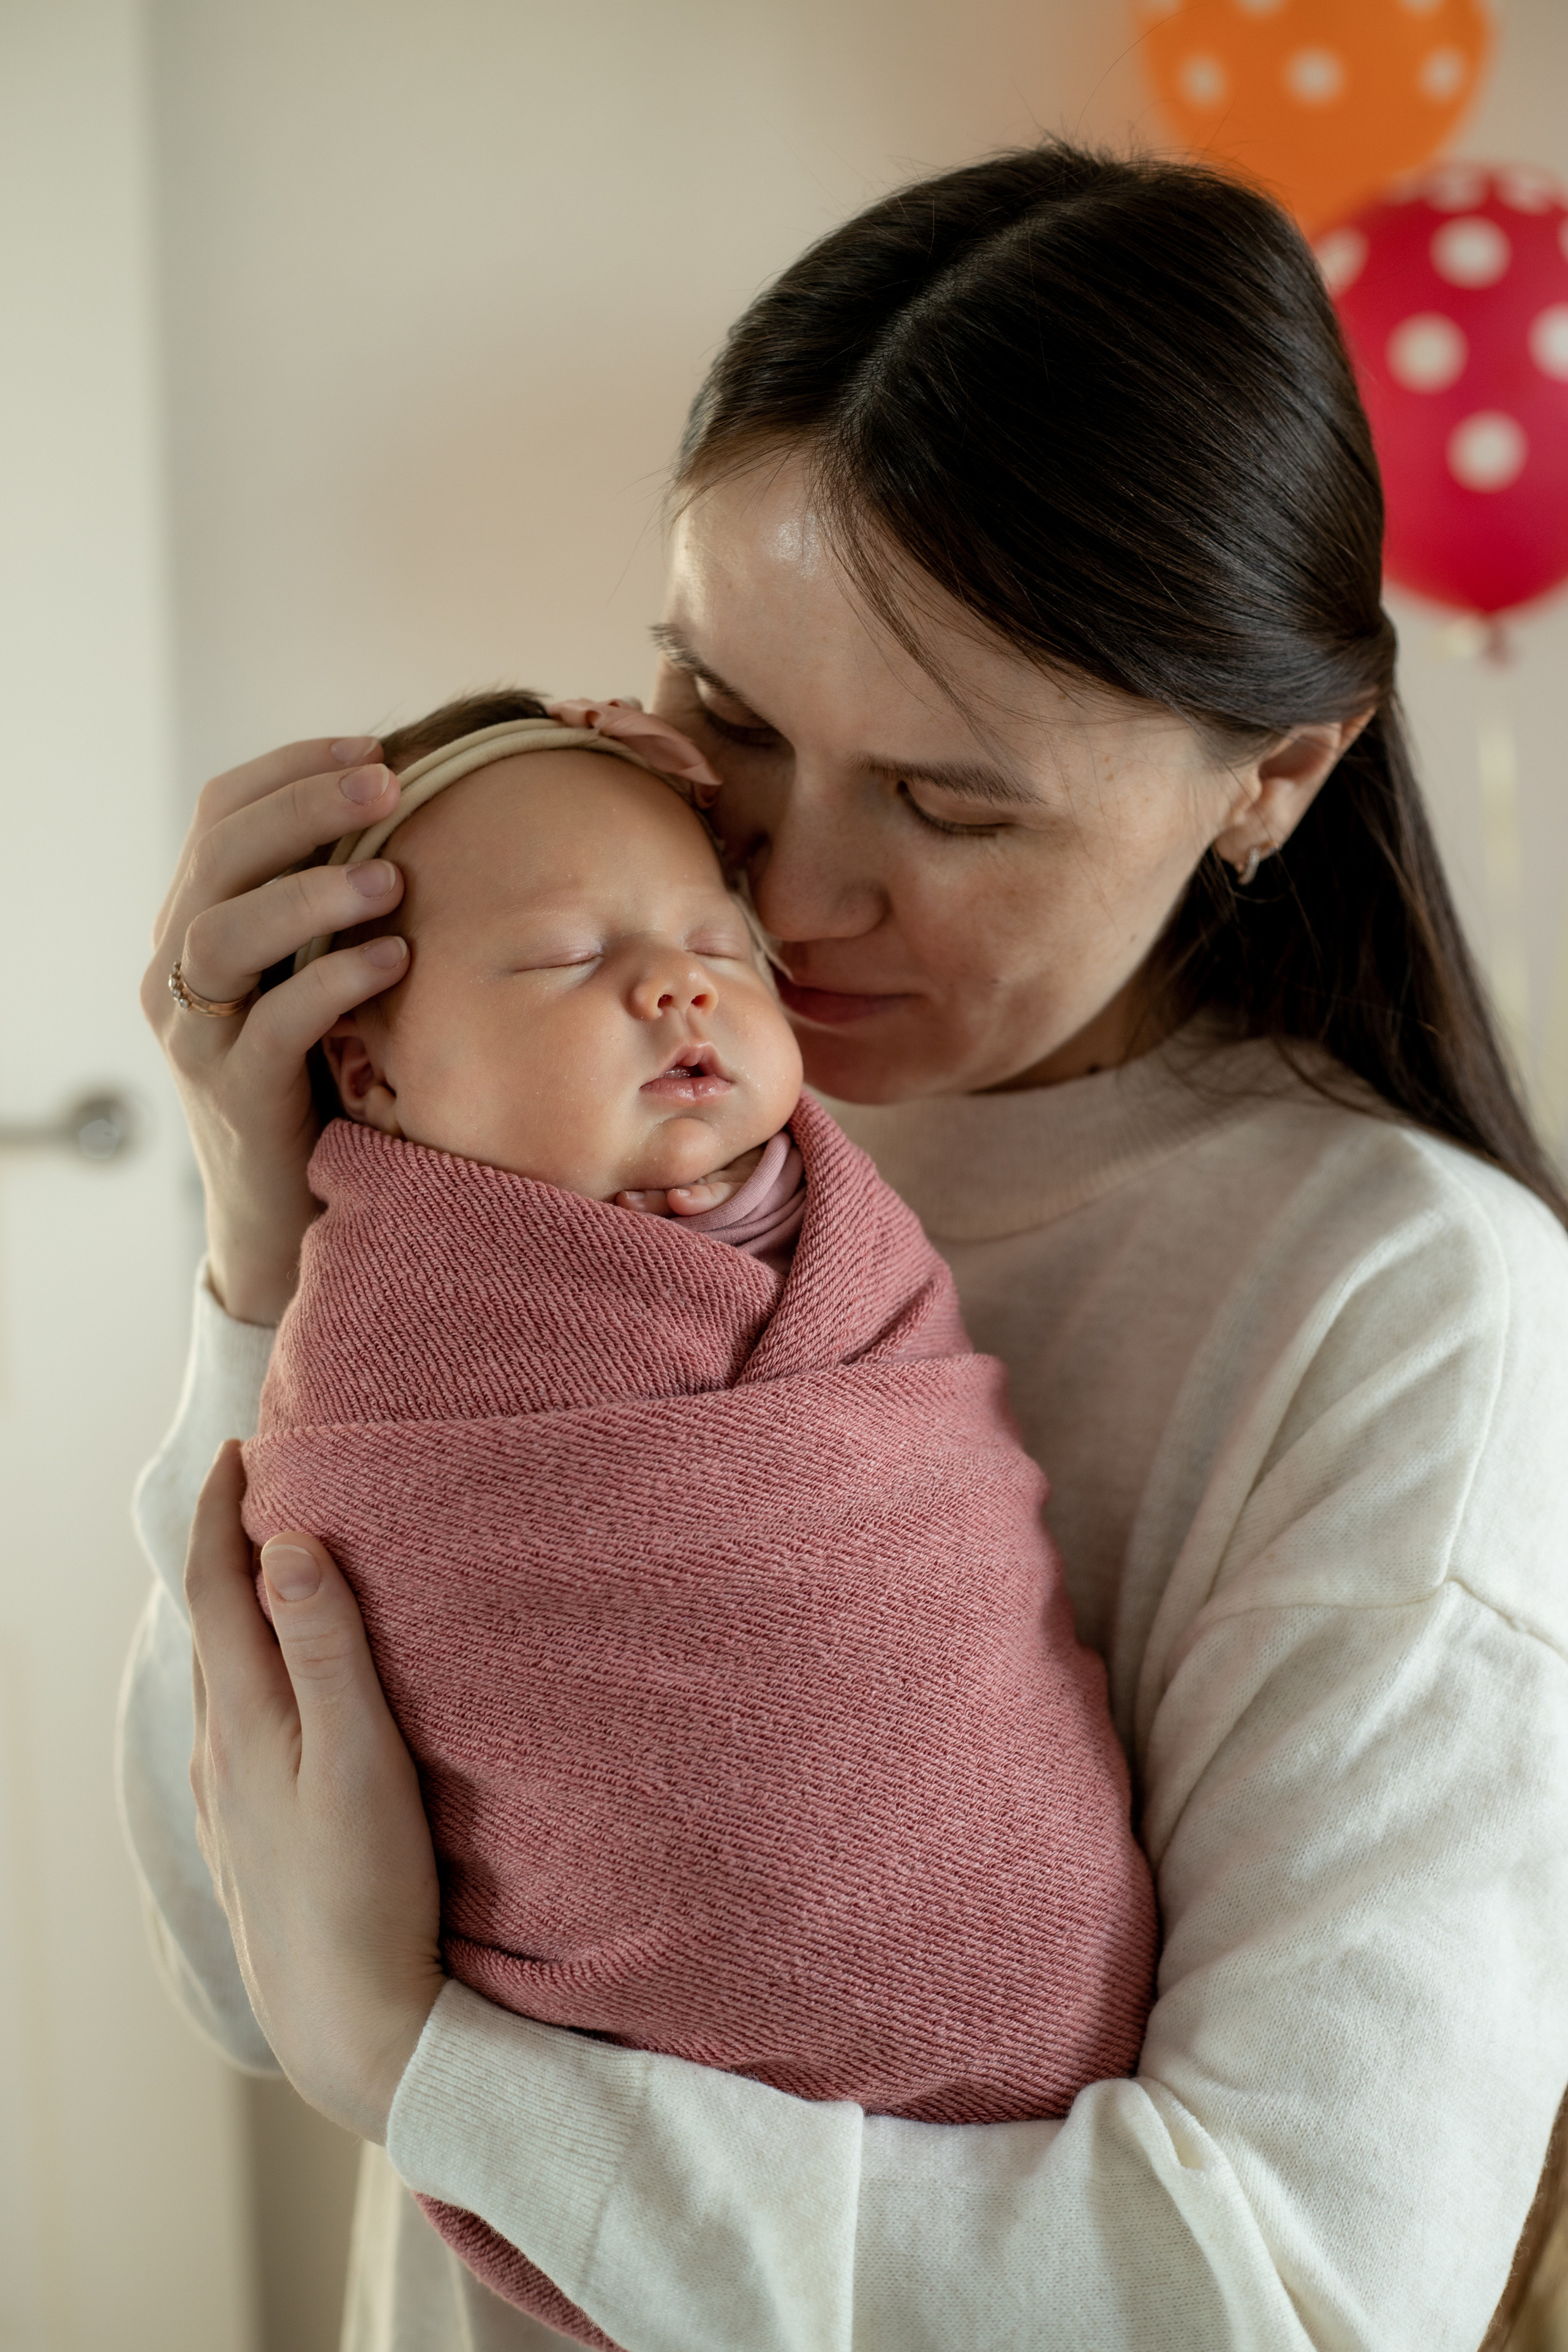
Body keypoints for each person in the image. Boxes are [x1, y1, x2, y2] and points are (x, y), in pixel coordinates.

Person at [122, 141, 1568, 2350]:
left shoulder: (1402, 1311)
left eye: (954, 803)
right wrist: (268, 1236)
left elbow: (1280, 2297)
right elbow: (240, 1959)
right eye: (727, 717)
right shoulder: (538, 1141)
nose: (782, 904)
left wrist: (427, 2071)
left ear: (1276, 774)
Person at [240, 687, 1154, 2340]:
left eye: (720, 945)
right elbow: (238, 1892)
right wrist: (247, 1245)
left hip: (1038, 2060)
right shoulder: (395, 1333)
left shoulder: (852, 1232)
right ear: (370, 1070)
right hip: (626, 2074)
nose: (679, 985)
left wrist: (379, 2039)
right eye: (564, 959)